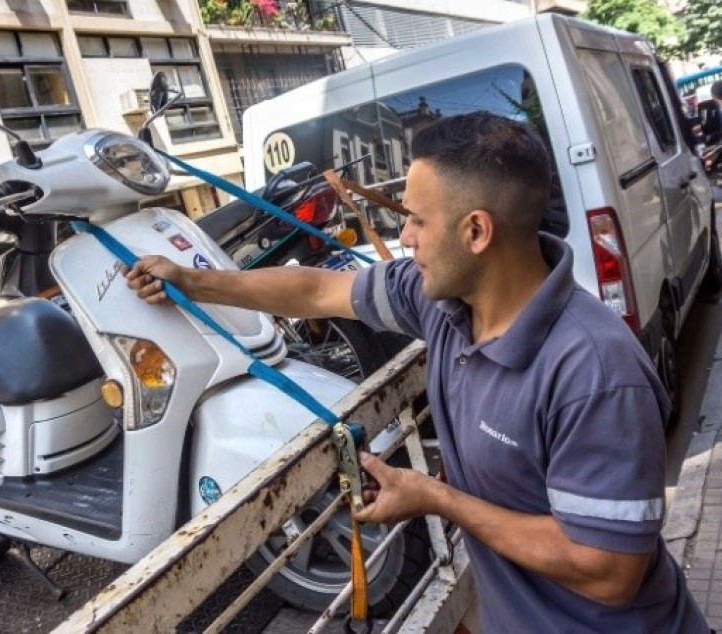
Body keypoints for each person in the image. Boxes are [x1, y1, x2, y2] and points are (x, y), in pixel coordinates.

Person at [125, 112, 709, 632]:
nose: (402, 237)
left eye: (415, 221)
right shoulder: (444, 303)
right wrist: (194, 281)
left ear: (476, 231)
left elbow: (608, 573)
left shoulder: (595, 373)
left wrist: (437, 498)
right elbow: (316, 286)